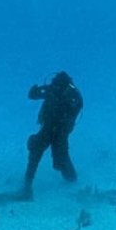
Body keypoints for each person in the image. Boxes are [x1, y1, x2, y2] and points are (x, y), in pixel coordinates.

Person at [22, 70, 83, 199]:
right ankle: (27, 186)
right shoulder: (52, 89)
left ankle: (72, 180)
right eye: (55, 84)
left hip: (60, 132)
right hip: (48, 128)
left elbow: (77, 108)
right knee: (35, 151)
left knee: (60, 158)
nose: (56, 86)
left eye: (58, 84)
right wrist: (35, 90)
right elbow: (33, 95)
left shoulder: (72, 94)